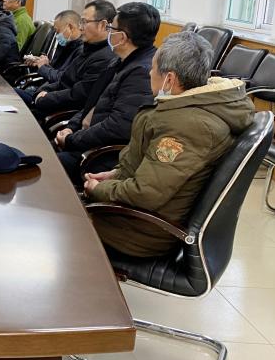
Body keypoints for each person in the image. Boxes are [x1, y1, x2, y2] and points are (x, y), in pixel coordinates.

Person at [85, 31, 255, 257]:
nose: (149, 72)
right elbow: (154, 171)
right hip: (129, 214)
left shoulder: (189, 127)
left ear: (170, 79)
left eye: (153, 68)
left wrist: (100, 190)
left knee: (59, 224)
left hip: (139, 232)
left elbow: (146, 193)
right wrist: (116, 174)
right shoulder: (185, 108)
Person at [54, 1, 160, 184]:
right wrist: (71, 126)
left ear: (122, 37)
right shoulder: (120, 61)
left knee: (46, 165)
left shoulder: (142, 72)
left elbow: (116, 127)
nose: (108, 32)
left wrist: (72, 139)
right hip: (87, 142)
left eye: (112, 28)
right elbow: (93, 103)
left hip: (100, 157)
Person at [32, 0, 117, 117]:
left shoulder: (104, 58)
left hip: (62, 114)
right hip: (53, 104)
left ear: (102, 25)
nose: (80, 28)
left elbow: (78, 96)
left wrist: (45, 98)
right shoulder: (87, 50)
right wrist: (42, 91)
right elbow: (63, 80)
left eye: (84, 22)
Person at [19, 9, 82, 92]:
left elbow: (62, 79)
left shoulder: (80, 51)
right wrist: (44, 64)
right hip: (45, 88)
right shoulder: (65, 45)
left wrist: (43, 67)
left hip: (52, 93)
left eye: (58, 31)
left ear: (70, 27)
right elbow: (56, 71)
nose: (56, 35)